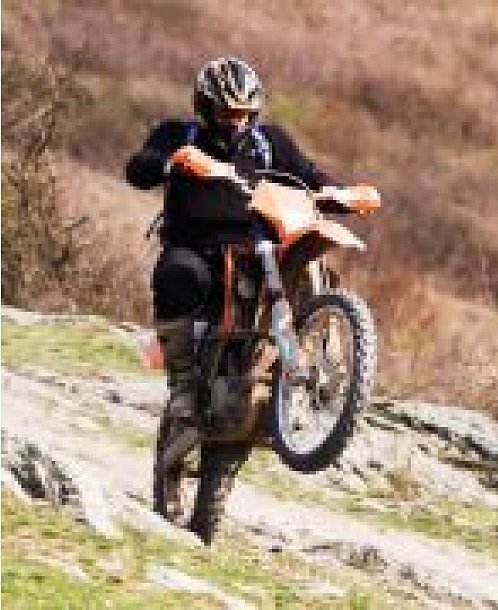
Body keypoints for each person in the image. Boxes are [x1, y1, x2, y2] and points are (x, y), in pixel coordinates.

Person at [125, 56, 374, 542]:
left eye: (243, 113)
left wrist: (345, 194)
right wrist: (173, 161)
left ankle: (309, 360)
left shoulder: (270, 143)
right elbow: (138, 169)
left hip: (258, 251)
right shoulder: (178, 135)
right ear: (205, 108)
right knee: (178, 273)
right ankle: (183, 384)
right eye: (226, 112)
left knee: (315, 267)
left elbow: (311, 178)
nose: (234, 121)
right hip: (197, 249)